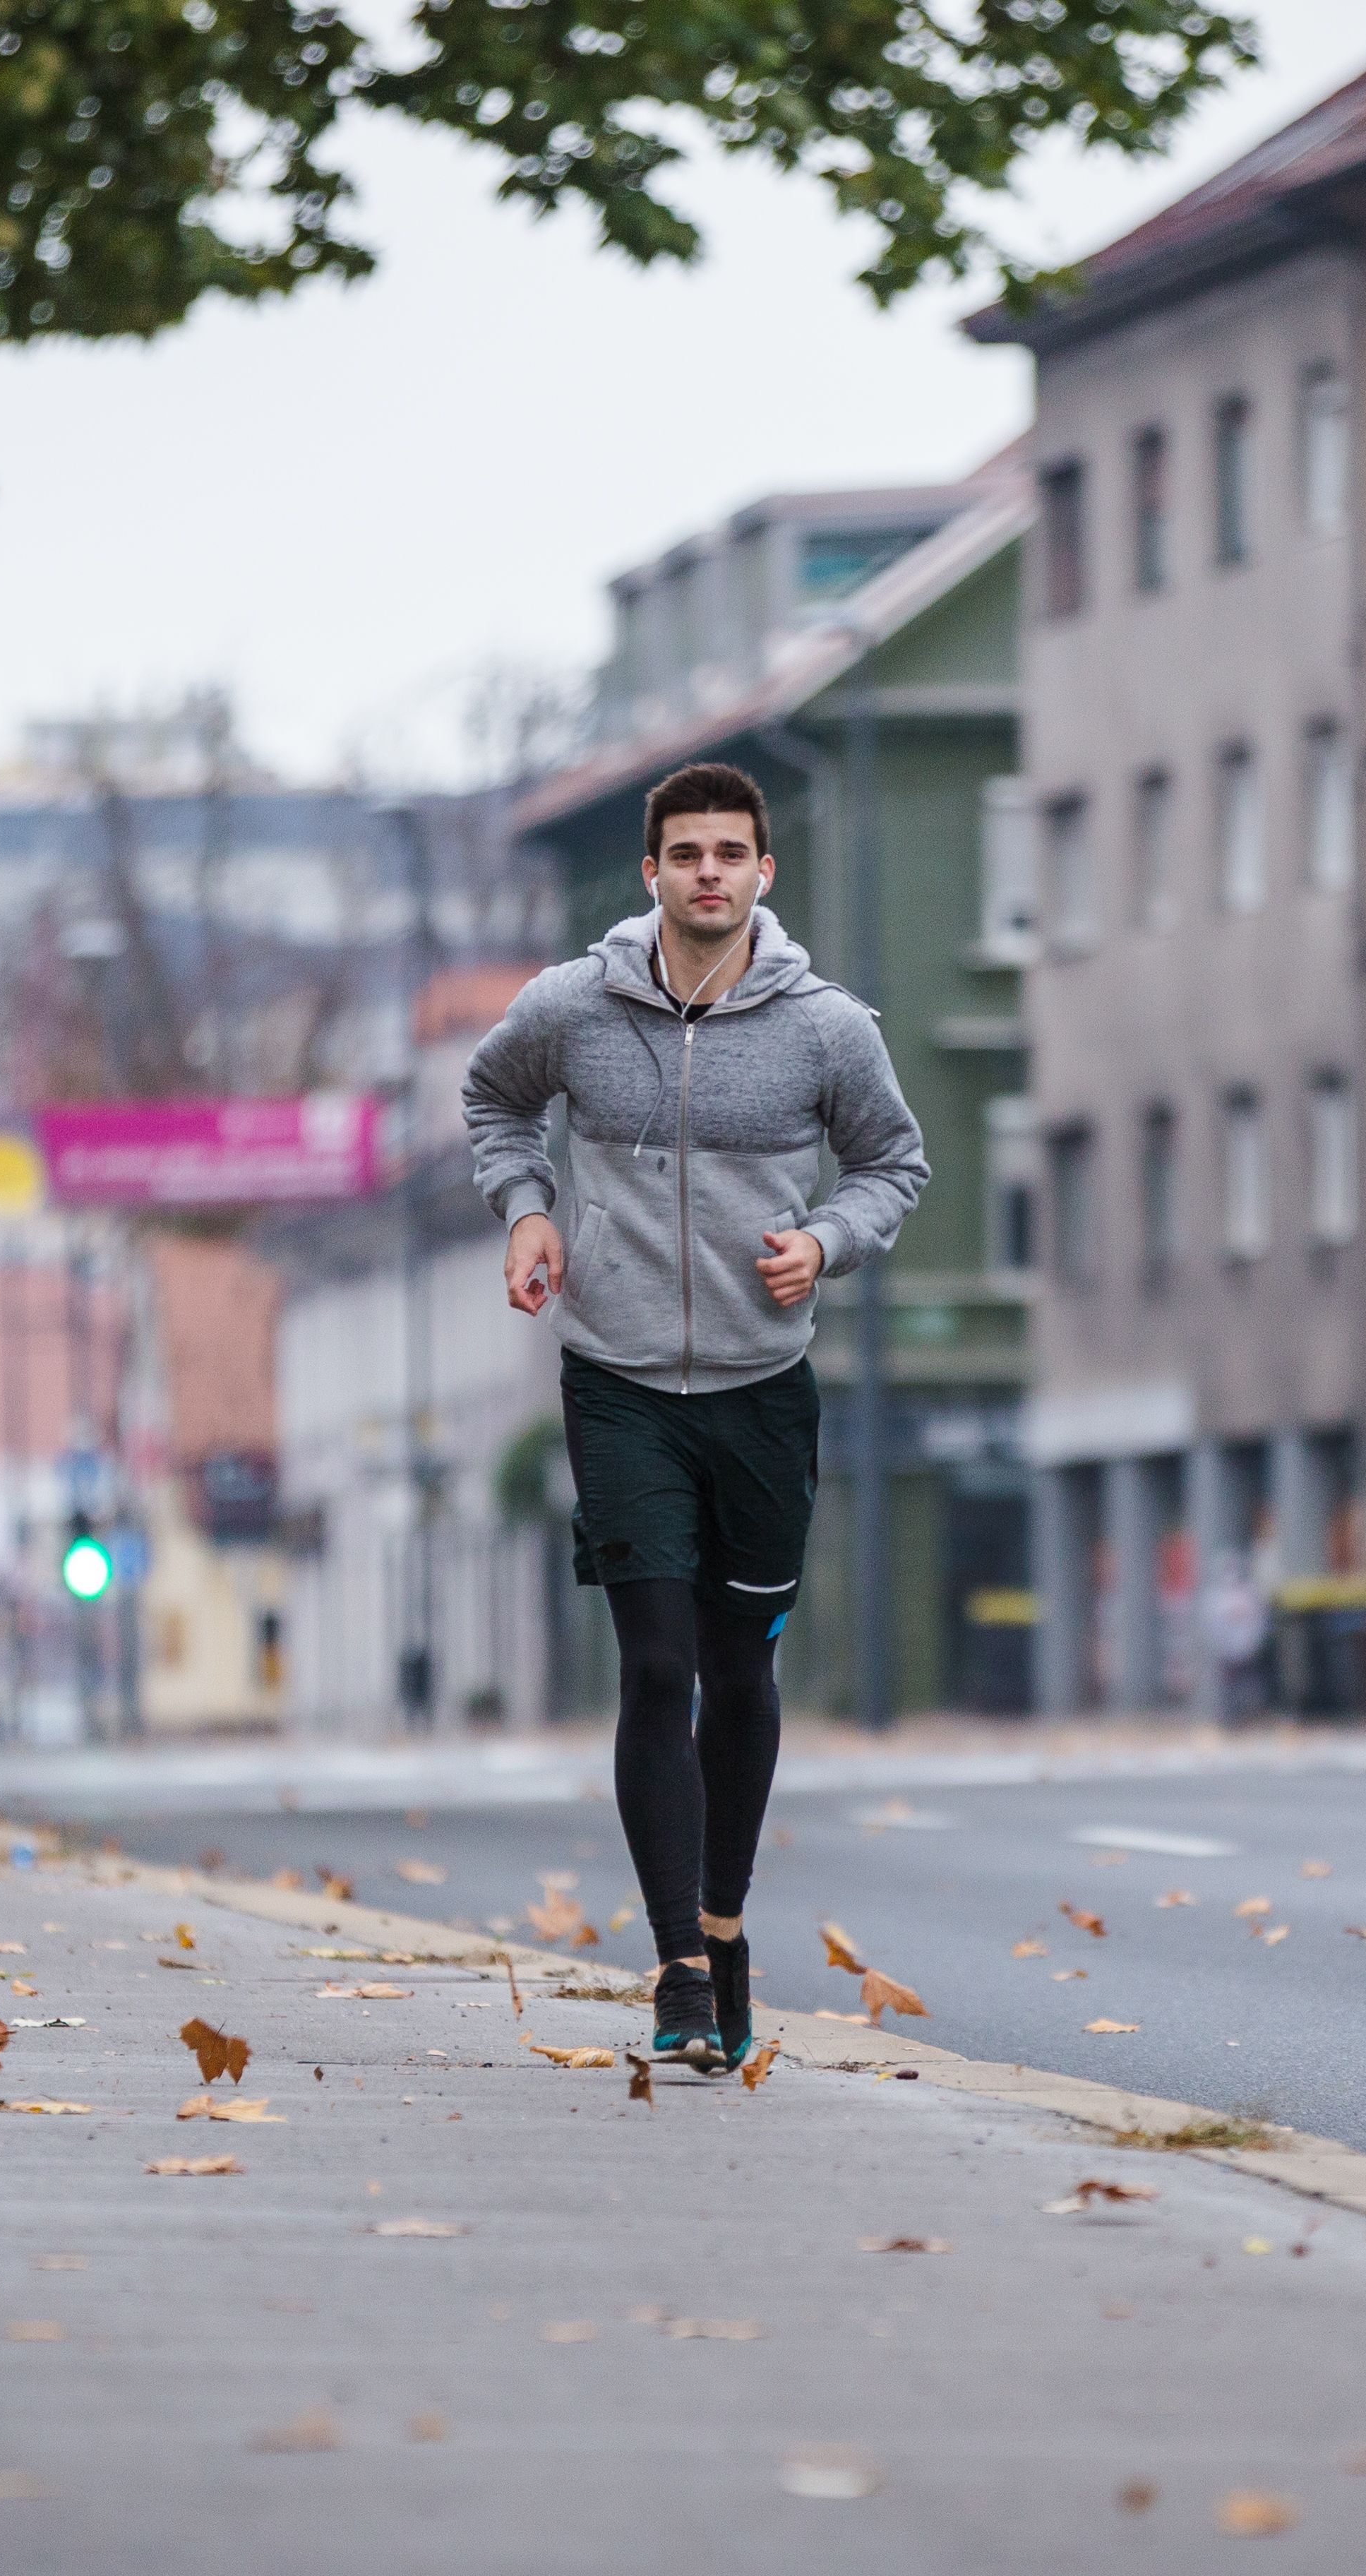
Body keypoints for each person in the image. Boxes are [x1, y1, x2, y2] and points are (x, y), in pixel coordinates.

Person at [461, 760, 928, 2072]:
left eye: (732, 853)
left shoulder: (828, 1030)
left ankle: (725, 1924)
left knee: (740, 1672)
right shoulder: (573, 1008)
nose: (708, 873)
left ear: (763, 876)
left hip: (761, 1389)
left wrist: (827, 1244)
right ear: (653, 873)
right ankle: (674, 1965)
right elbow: (494, 1102)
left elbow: (896, 1164)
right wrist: (531, 1209)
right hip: (615, 1381)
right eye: (687, 854)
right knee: (654, 1666)